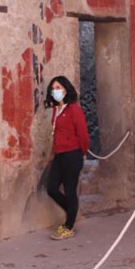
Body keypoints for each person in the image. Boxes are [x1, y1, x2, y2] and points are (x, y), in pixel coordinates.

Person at [45, 75, 89, 240]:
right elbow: (56, 133)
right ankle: (72, 211)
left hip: (72, 154)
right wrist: (52, 153)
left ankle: (68, 226)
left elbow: (83, 134)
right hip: (59, 155)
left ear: (66, 89)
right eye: (53, 88)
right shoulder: (57, 110)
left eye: (58, 88)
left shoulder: (74, 109)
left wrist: (82, 153)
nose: (55, 91)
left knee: (70, 190)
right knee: (52, 189)